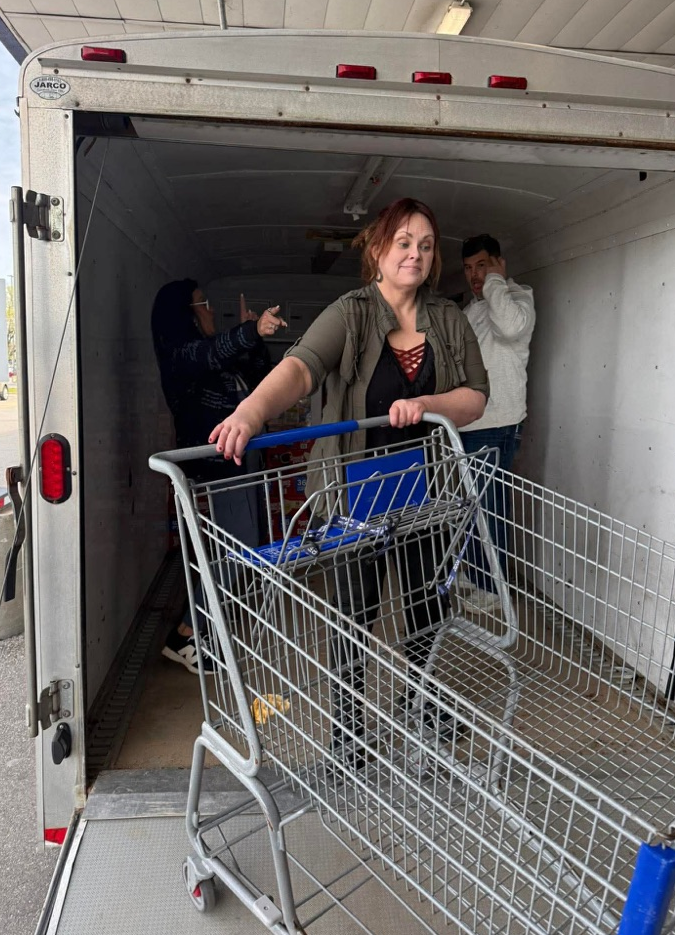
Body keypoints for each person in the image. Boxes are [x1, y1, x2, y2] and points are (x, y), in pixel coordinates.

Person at [209, 198, 488, 760]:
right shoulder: (352, 311)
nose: (415, 254)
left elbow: (476, 397)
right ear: (379, 251)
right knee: (352, 612)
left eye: (426, 246)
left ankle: (425, 705)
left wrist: (427, 403)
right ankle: (350, 728)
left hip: (423, 489)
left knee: (425, 606)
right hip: (354, 490)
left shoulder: (449, 319)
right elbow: (301, 367)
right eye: (404, 242)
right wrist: (251, 414)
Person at [151, 280, 286, 673]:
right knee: (238, 547)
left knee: (240, 544)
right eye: (203, 303)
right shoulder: (181, 353)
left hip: (239, 457)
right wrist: (250, 330)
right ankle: (186, 634)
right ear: (185, 314)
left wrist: (254, 341)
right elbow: (210, 351)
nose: (210, 310)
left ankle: (198, 627)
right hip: (218, 462)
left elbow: (261, 377)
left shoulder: (214, 356)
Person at [458, 234, 536, 603]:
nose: (476, 275)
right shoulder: (473, 309)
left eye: (482, 265)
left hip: (498, 423)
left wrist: (495, 281)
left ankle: (494, 588)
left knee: (490, 507)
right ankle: (476, 576)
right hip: (468, 422)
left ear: (499, 264)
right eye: (470, 269)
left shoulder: (518, 298)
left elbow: (510, 327)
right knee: (471, 506)